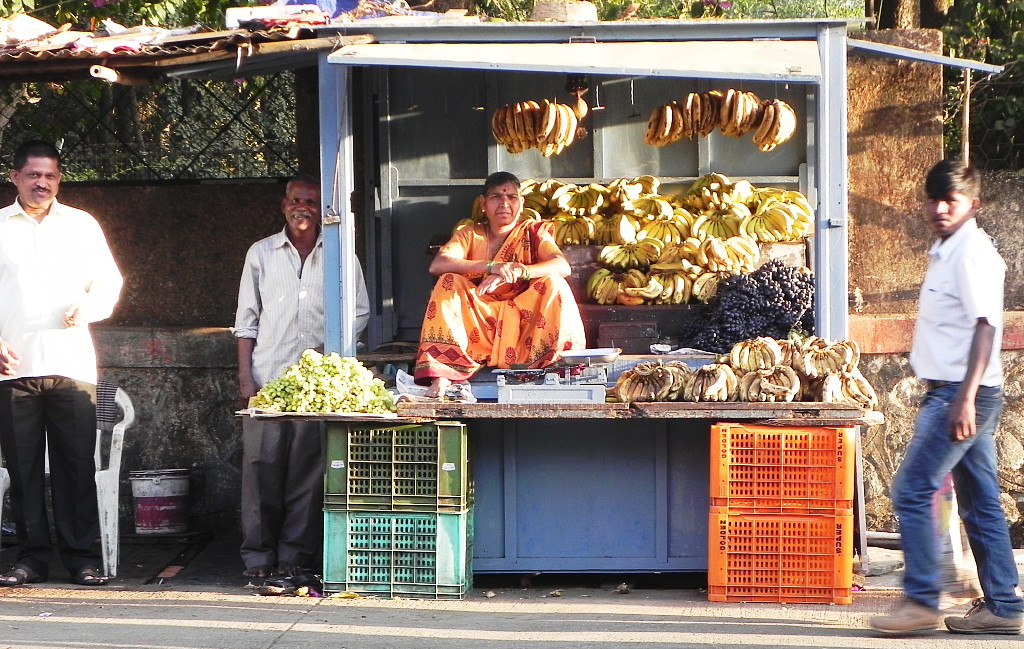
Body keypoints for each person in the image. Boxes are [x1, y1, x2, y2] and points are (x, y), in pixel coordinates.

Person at [870, 160, 1023, 635]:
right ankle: (1004, 607)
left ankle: (920, 601)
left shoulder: (972, 253)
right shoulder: (947, 249)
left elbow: (987, 328)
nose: (939, 209)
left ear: (972, 205)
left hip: (962, 392)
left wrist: (966, 398)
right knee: (980, 502)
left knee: (911, 489)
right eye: (933, 199)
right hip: (957, 389)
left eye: (950, 201)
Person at [0, 140, 123, 587]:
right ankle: (30, 559)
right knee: (24, 470)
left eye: (50, 176)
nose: (42, 183)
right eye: (33, 175)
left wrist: (88, 307)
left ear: (59, 180)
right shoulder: (1, 227)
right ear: (15, 177)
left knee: (76, 466)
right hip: (13, 370)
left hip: (72, 367)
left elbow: (109, 283)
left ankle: (82, 559)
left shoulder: (80, 225)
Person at [233, 175, 369, 579]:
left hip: (317, 386)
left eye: (310, 202)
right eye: (296, 200)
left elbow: (358, 311)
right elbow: (245, 321)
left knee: (308, 473)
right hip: (269, 378)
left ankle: (294, 555)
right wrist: (245, 377)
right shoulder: (261, 254)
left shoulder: (340, 254)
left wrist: (327, 359)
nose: (303, 208)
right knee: (261, 470)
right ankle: (258, 556)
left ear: (321, 209)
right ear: (284, 205)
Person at [414, 171, 587, 397]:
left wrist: (517, 271)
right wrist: (490, 267)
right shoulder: (470, 234)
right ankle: (443, 374)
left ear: (521, 203)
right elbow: (438, 264)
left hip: (525, 323)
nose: (504, 204)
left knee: (555, 284)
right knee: (448, 281)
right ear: (483, 204)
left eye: (511, 197)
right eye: (496, 197)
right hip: (479, 319)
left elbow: (562, 267)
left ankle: (555, 365)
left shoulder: (533, 232)